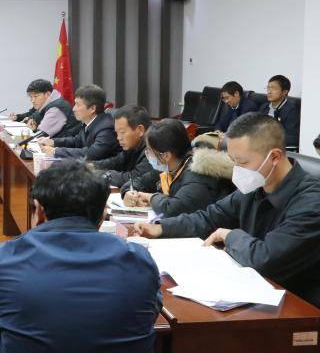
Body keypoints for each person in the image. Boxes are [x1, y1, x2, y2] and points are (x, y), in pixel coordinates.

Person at [0, 160, 162, 353]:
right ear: (102, 216)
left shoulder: (8, 257)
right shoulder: (139, 260)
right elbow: (150, 312)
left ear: (39, 210)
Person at [135, 113, 320, 308]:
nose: (237, 170)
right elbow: (210, 217)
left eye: (243, 162)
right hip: (251, 292)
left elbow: (266, 258)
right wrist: (161, 228)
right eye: (233, 161)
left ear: (274, 157)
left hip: (298, 306)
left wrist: (230, 236)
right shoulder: (255, 186)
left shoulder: (312, 202)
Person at [125, 118, 235, 218]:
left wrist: (151, 198)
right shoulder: (167, 168)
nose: (147, 154)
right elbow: (138, 182)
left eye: (149, 151)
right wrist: (129, 193)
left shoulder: (197, 174)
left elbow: (172, 210)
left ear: (166, 156)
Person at [39, 84, 121, 161]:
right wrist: (53, 142)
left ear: (92, 108)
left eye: (77, 105)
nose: (73, 109)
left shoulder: (106, 128)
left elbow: (92, 153)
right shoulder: (89, 122)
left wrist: (55, 151)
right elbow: (77, 141)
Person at [92, 105, 159, 193]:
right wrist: (91, 166)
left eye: (122, 132)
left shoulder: (154, 149)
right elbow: (115, 162)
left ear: (140, 130)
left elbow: (133, 178)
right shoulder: (133, 145)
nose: (118, 138)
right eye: (117, 133)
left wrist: (99, 174)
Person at [258, 75, 300, 149]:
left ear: (284, 92)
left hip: (275, 148)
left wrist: (269, 139)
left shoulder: (291, 110)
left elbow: (293, 138)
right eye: (268, 88)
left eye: (273, 88)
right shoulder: (264, 107)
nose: (269, 92)